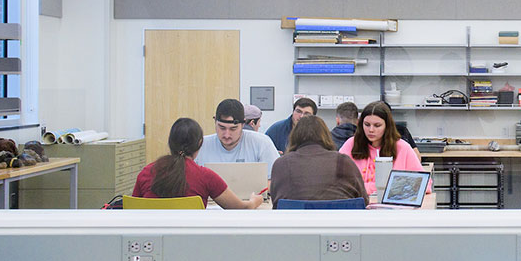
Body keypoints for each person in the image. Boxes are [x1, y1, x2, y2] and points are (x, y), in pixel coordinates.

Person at [131, 117, 265, 208]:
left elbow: (131, 209)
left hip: (151, 243)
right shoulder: (205, 176)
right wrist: (254, 201)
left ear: (170, 143)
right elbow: (240, 208)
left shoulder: (147, 172)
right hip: (192, 244)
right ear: (200, 143)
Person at [269, 114, 369, 205]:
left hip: (295, 223)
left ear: (294, 136)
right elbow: (363, 200)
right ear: (326, 135)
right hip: (337, 222)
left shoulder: (281, 164)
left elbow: (276, 202)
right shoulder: (344, 161)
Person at [338, 100, 426, 197]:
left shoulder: (402, 147)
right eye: (367, 125)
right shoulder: (351, 144)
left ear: (387, 126)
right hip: (358, 207)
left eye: (377, 125)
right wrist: (389, 187)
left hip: (393, 208)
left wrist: (365, 187)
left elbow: (424, 184)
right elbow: (339, 183)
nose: (371, 130)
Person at [196, 98, 280, 165]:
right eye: (222, 128)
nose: (227, 135)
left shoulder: (262, 143)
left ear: (243, 124)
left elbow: (274, 180)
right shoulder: (201, 146)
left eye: (233, 129)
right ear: (215, 121)